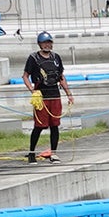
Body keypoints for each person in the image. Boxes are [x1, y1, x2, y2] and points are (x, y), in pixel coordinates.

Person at [23, 30, 69, 163]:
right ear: (39, 44)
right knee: (39, 126)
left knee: (55, 125)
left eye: (49, 42)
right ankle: (32, 152)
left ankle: (54, 153)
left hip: (55, 95)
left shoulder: (56, 58)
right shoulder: (33, 58)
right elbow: (25, 76)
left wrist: (69, 94)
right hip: (41, 97)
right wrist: (32, 90)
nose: (47, 45)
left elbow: (61, 77)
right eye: (44, 43)